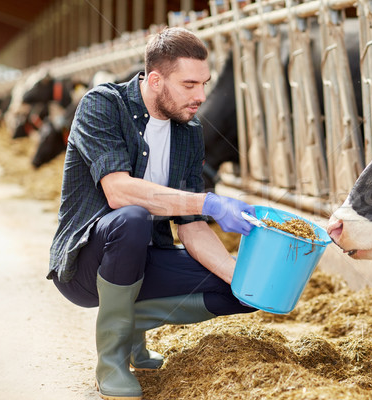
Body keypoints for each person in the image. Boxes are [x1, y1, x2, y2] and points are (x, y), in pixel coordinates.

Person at [47, 27, 257, 400]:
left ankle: (129, 331)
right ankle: (111, 360)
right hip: (85, 266)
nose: (201, 96)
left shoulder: (189, 132)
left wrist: (237, 274)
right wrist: (208, 203)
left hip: (144, 260)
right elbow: (119, 192)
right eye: (189, 84)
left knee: (241, 291)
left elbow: (191, 228)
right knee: (133, 218)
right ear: (155, 79)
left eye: (204, 83)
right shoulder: (103, 105)